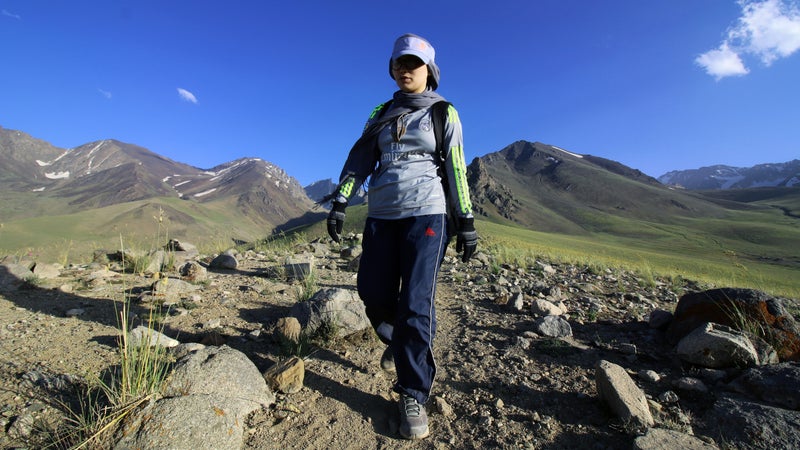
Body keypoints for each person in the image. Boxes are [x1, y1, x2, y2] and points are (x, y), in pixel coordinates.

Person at [326, 33, 477, 440]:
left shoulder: (445, 113)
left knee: (414, 302)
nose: (405, 69)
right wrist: (341, 200)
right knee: (372, 291)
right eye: (398, 63)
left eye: (413, 63)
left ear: (430, 71)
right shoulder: (381, 111)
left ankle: (413, 392)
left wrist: (465, 220)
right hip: (381, 214)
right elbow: (360, 158)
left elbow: (457, 168)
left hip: (427, 214)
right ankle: (396, 340)